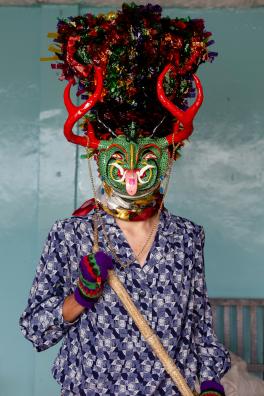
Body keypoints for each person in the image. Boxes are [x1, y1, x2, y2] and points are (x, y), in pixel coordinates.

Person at [20, 4, 231, 395]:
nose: (132, 179)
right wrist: (80, 296)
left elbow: (199, 327)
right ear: (99, 159)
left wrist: (211, 383)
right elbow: (36, 327)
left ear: (167, 157)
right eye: (120, 161)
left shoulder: (186, 237)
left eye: (145, 160)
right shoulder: (70, 235)